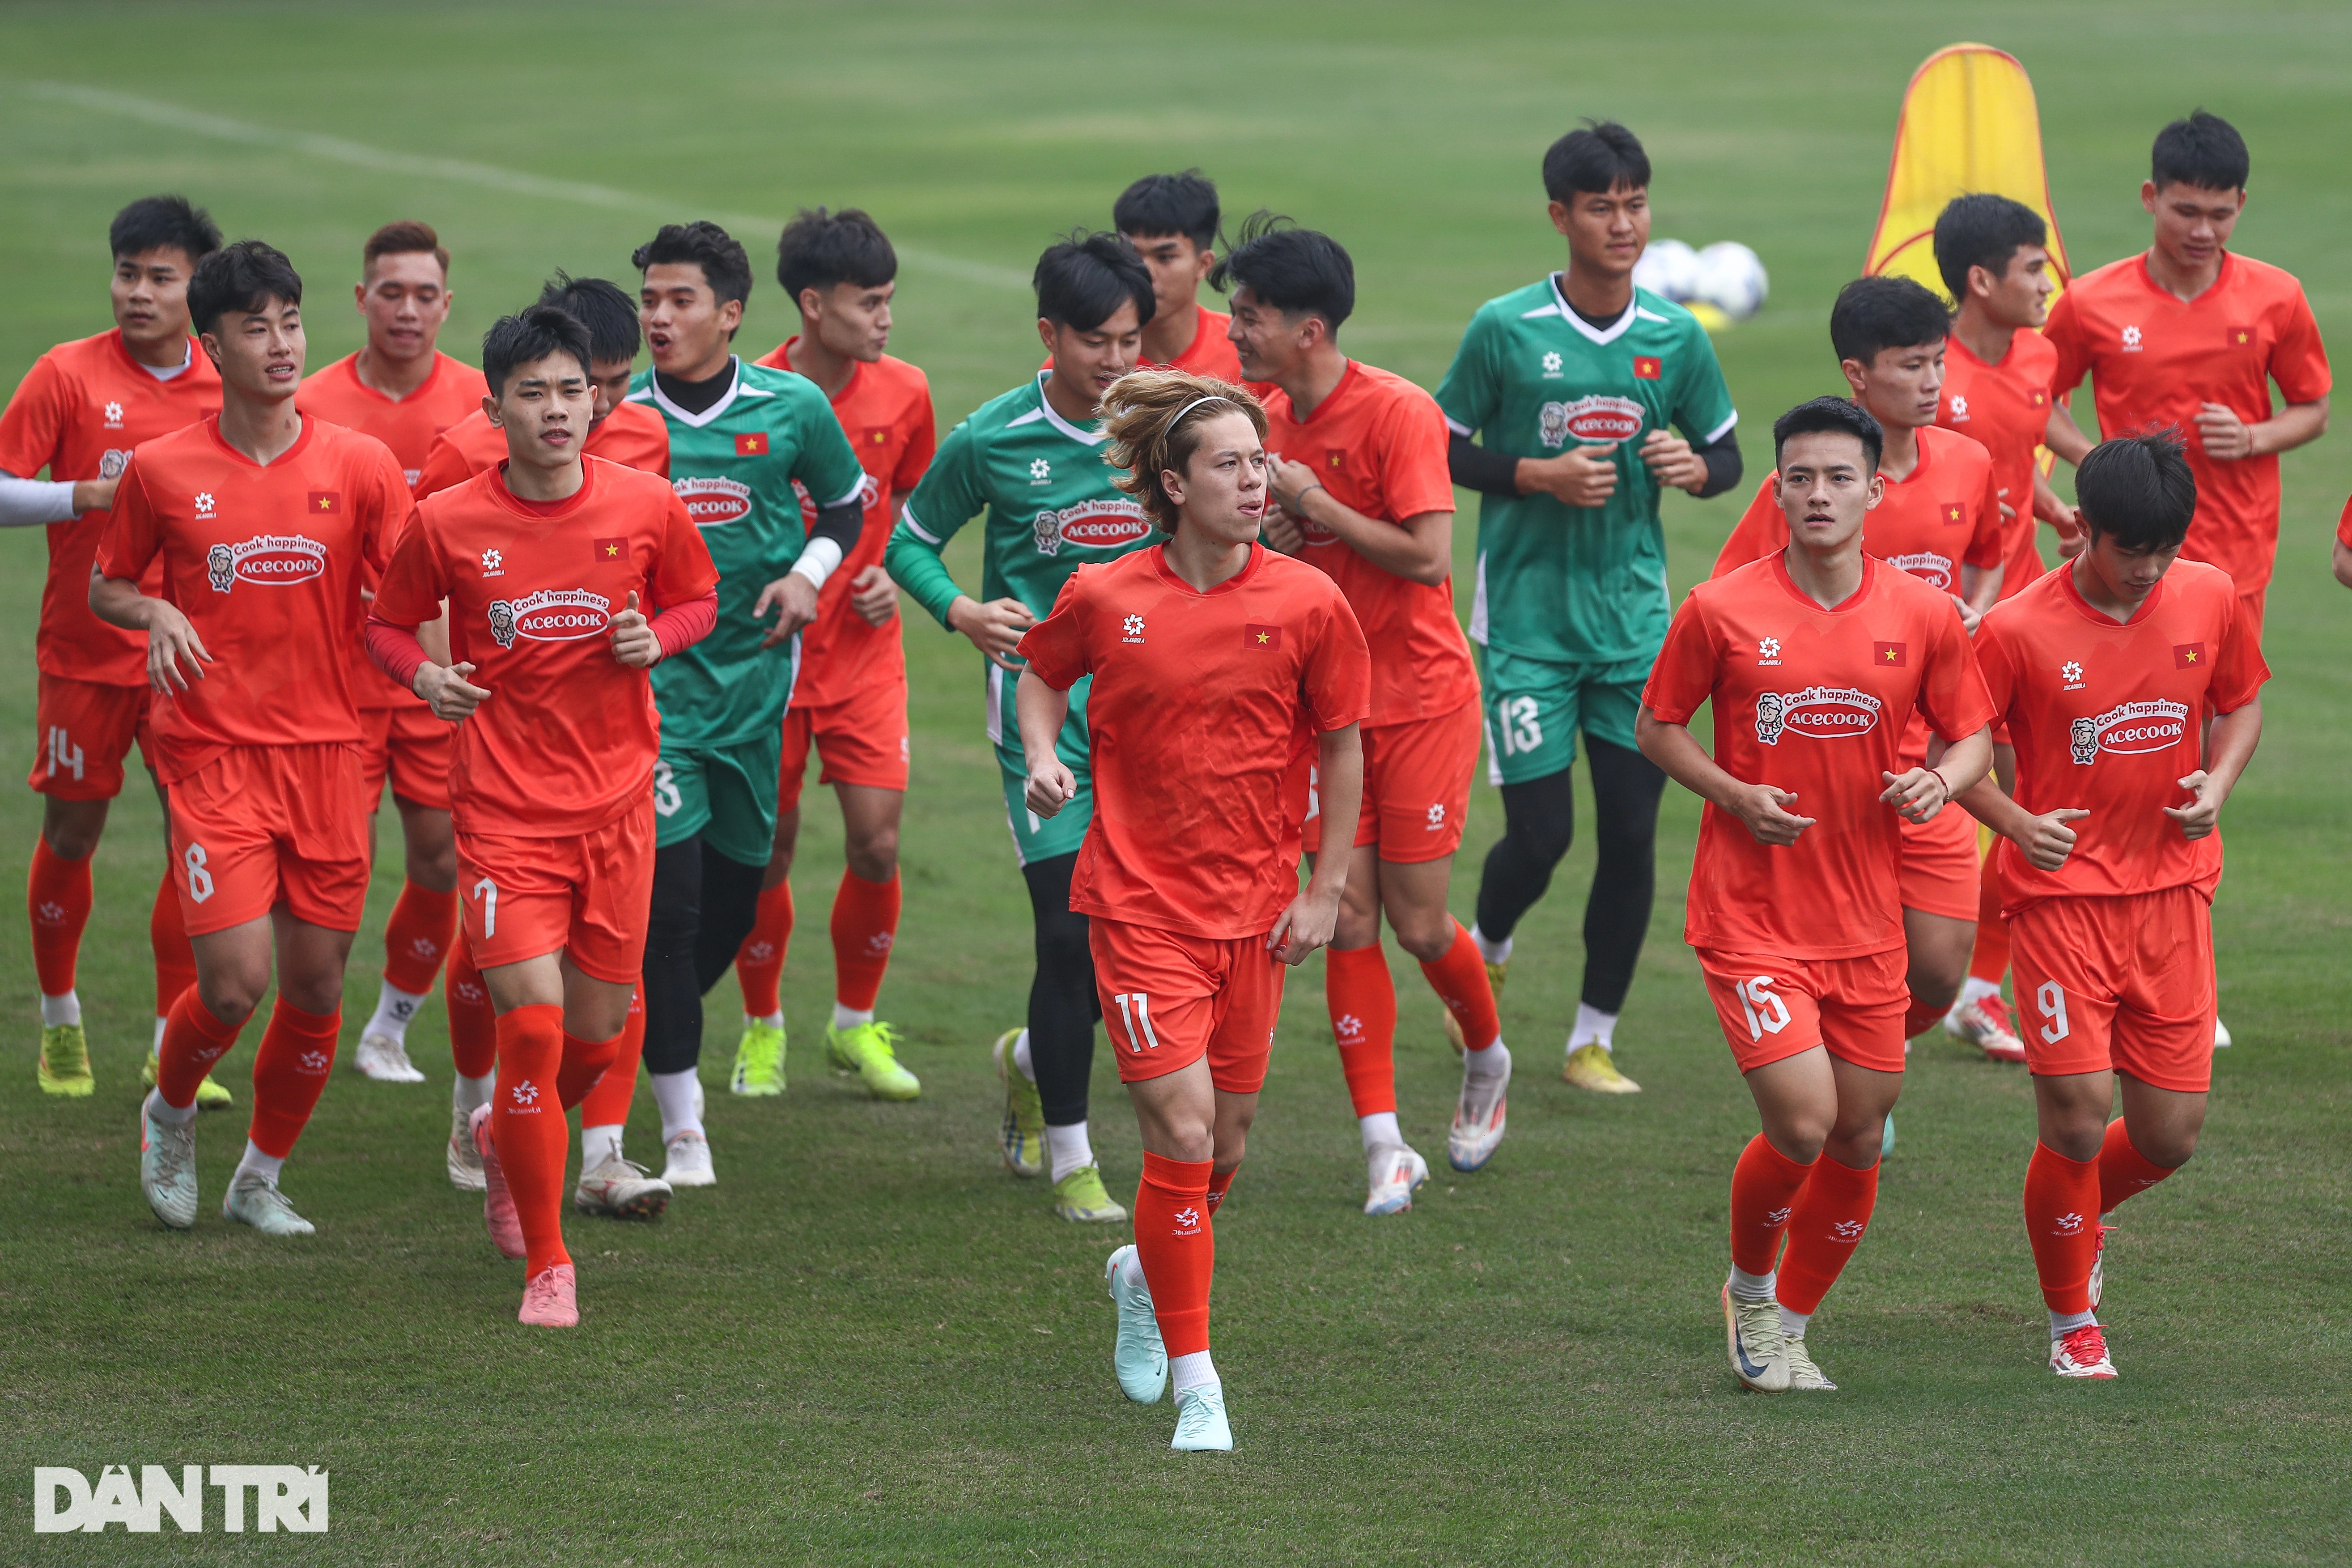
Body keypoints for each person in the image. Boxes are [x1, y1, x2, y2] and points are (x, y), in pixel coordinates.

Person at [1014, 368, 1367, 1450]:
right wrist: (1043, 757)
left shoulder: (1310, 601)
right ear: (1173, 484)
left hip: (1258, 909)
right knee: (1179, 1128)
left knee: (1226, 1150)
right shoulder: (1104, 595)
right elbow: (1040, 676)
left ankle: (1138, 1268)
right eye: (1231, 463)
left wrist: (1324, 888)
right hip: (1135, 907)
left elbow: (1346, 740)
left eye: (1260, 460)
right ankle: (1198, 1378)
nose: (1257, 480)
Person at [369, 305, 720, 1325]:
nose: (560, 410)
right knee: (530, 1025)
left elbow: (698, 601)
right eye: (535, 393)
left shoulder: (648, 505)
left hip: (616, 813)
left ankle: (499, 1135)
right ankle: (548, 1263)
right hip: (501, 818)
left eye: (574, 390)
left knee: (596, 1042)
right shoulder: (447, 522)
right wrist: (427, 676)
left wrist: (657, 639)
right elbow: (387, 624)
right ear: (496, 408)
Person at [1638, 397, 1994, 1393]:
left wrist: (1945, 780)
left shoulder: (1920, 615)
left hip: (1865, 916)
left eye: (1840, 478)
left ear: (1875, 491)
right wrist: (1732, 794)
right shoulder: (1719, 610)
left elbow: (1972, 734)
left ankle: (1789, 1321)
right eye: (1800, 477)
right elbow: (1659, 727)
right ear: (1778, 489)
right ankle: (1749, 1288)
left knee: (1860, 1130)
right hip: (1750, 915)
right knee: (1801, 1120)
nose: (1819, 495)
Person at [98, 240, 411, 1237]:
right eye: (255, 327)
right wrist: (155, 614)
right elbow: (109, 582)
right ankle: (172, 1109)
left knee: (317, 988)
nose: (280, 345)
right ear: (213, 345)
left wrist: (435, 674)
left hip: (330, 753)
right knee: (234, 984)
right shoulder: (161, 468)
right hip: (212, 751)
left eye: (290, 322)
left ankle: (260, 1176)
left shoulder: (360, 465)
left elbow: (406, 600)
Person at [1436, 120, 1742, 1095]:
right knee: (1541, 837)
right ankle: (1484, 944)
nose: (1624, 223)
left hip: (1633, 630)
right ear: (1560, 216)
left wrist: (1695, 469)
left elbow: (1729, 455)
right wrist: (1532, 472)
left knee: (1629, 829)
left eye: (1635, 203)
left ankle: (1590, 1040)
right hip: (1527, 626)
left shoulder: (1674, 336)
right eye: (1602, 206)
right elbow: (1441, 448)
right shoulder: (1506, 329)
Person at [1955, 432, 2264, 1378]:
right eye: (2132, 549)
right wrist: (2011, 820)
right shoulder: (2012, 629)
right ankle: (2068, 1323)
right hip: (2062, 904)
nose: (2149, 569)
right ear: (2084, 527)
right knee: (2078, 1120)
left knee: (2168, 1137)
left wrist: (2216, 782)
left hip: (2173, 897)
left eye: (2165, 550)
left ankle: (2080, 1216)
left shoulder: (2207, 595)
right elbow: (1960, 749)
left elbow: (2241, 702)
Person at [1222, 215, 1506, 1207]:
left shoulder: (1396, 412)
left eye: (1249, 316)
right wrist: (1284, 535)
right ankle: (1383, 1143)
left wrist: (1316, 504)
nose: (1232, 330)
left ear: (1309, 327)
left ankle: (1485, 1056)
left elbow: (1429, 557)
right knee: (1346, 917)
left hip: (1422, 700)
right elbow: (1282, 557)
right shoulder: (1255, 419)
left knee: (1421, 925)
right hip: (1326, 708)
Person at [883, 232, 1157, 1223]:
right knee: (1068, 931)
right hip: (1042, 727)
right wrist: (960, 610)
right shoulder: (993, 438)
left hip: (1160, 722)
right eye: (1097, 341)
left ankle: (1031, 1058)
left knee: (1134, 940)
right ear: (1049, 335)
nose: (1119, 361)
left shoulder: (1170, 426)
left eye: (1132, 338)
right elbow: (909, 540)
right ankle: (1072, 1155)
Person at [2042, 110, 2327, 1053]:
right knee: (2099, 758)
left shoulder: (2276, 298)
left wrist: (2253, 438)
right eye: (2184, 210)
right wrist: (2100, 470)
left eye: (2220, 213)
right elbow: (2034, 400)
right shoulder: (2089, 302)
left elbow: (2313, 408)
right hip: (2115, 566)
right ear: (2149, 198)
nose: (2202, 230)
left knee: (2193, 770)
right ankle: (2051, 963)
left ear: (2241, 207)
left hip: (2227, 565)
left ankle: (2180, 983)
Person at [412, 272, 671, 1201]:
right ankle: (477, 1099)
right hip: (505, 763)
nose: (586, 409)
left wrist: (652, 642)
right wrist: (448, 683)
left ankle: (595, 1148)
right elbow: (428, 589)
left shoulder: (641, 448)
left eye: (604, 386)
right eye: (563, 385)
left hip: (612, 757)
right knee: (502, 967)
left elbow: (659, 574)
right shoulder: (458, 464)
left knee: (610, 974)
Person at [625, 221, 869, 1190]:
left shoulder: (793, 406)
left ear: (730, 314)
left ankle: (622, 1025)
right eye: (649, 299)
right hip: (652, 703)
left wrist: (811, 574)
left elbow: (845, 505)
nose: (658, 317)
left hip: (756, 693)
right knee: (676, 909)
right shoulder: (616, 414)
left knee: (737, 896)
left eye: (680, 300)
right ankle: (682, 1126)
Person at [1713, 277, 2005, 1055]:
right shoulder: (1813, 483)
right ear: (1857, 375)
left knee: (1940, 976)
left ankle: (1872, 1046)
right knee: (1821, 972)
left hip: (1930, 766)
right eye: (1910, 366)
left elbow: (1986, 560)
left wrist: (1970, 611)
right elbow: (1730, 605)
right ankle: (1842, 1073)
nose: (1932, 382)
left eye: (1938, 363)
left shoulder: (1969, 463)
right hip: (1830, 764)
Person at [1, 195, 223, 1105]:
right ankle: (61, 1023)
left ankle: (174, 1035)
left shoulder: (229, 381)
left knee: (195, 844)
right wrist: (80, 497)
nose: (136, 292)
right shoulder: (65, 373)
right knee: (73, 834)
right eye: (126, 273)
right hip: (84, 655)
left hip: (191, 663)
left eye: (158, 278)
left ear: (196, 287)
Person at [727, 208, 935, 1101]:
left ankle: (854, 1025)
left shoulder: (906, 392)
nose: (884, 318)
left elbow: (913, 506)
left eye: (890, 300)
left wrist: (893, 572)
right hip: (768, 664)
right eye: (868, 302)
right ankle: (762, 1026)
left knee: (878, 845)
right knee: (768, 853)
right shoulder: (754, 397)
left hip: (865, 661)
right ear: (813, 305)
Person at [296, 221, 489, 1084]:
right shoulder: (311, 404)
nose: (407, 310)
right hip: (336, 680)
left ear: (447, 305)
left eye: (423, 295)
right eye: (390, 293)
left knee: (442, 857)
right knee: (335, 874)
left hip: (439, 676)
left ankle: (389, 1024)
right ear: (361, 299)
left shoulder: (489, 402)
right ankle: (307, 1029)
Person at [1929, 193, 2074, 1063]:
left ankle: (1982, 988)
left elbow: (2017, 453)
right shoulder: (1920, 373)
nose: (2048, 283)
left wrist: (2057, 501)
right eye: (2032, 267)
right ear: (1980, 280)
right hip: (1931, 630)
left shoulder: (2038, 353)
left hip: (2020, 611)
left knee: (2028, 804)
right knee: (1930, 804)